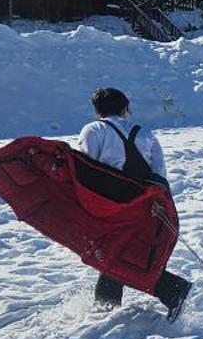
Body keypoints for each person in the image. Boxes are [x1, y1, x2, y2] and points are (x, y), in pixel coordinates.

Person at [80, 87, 191, 319]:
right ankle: (168, 290)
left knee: (115, 253)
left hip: (111, 204)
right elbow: (159, 172)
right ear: (124, 109)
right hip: (145, 204)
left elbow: (86, 168)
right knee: (124, 252)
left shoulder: (94, 130)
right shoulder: (145, 133)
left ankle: (169, 290)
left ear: (97, 111)